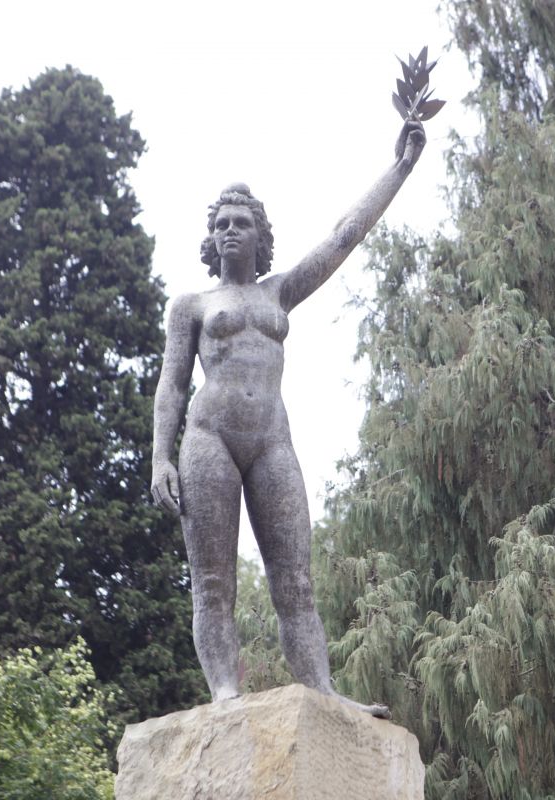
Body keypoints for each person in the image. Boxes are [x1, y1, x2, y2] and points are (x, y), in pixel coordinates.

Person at [151, 121, 426, 716]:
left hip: (272, 439)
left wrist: (401, 167)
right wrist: (159, 457)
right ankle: (226, 693)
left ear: (259, 235)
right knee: (214, 585)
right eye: (220, 224)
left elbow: (344, 237)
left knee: (296, 583)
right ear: (210, 237)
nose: (228, 231)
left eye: (240, 223)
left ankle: (322, 692)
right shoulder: (191, 306)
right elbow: (172, 383)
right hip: (209, 439)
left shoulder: (279, 293)